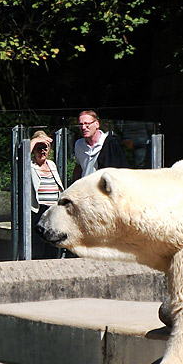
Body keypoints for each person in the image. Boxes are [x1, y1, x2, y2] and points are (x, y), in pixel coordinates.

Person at [29, 130, 64, 259]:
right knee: (38, 247)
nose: (42, 151)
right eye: (39, 148)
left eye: (45, 148)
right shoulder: (30, 164)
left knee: (53, 246)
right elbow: (20, 158)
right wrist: (35, 141)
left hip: (53, 210)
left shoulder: (51, 165)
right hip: (39, 210)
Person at [72, 109, 129, 181]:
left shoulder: (109, 143)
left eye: (87, 124)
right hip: (86, 188)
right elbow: (79, 167)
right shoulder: (79, 144)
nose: (83, 128)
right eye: (81, 124)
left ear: (97, 124)